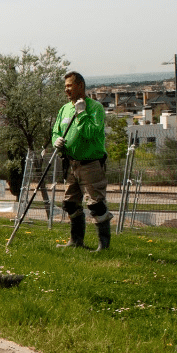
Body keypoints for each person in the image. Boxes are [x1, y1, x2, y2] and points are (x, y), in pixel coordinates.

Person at [51, 71, 110, 251]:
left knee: (96, 204)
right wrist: (56, 141)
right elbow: (56, 131)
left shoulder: (95, 108)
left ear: (80, 86)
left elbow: (91, 132)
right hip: (71, 164)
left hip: (90, 164)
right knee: (70, 203)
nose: (66, 90)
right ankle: (76, 241)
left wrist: (82, 113)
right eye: (65, 87)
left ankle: (103, 246)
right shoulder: (64, 109)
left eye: (69, 86)